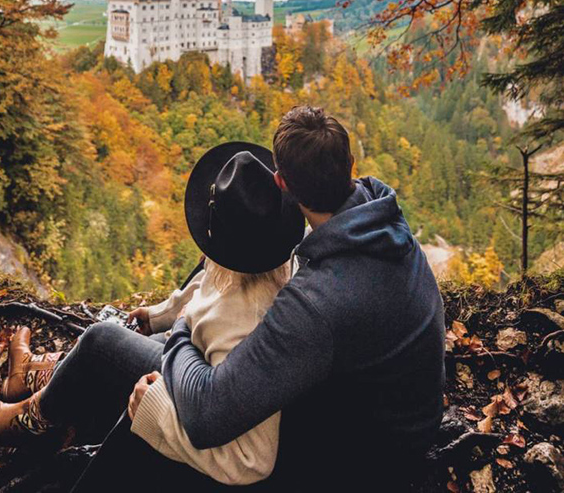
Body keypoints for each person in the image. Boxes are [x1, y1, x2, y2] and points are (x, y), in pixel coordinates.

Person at [130, 105, 446, 490]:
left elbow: (206, 414)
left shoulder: (317, 300)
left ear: (280, 183)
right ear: (350, 163)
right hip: (410, 425)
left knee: (114, 347)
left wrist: (180, 328)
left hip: (363, 463)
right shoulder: (382, 219)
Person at [0, 142, 305, 486]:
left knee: (102, 341)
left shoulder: (240, 324)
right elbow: (212, 286)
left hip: (193, 387)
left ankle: (30, 421)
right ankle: (31, 377)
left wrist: (157, 410)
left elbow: (252, 460)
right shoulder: (274, 250)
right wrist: (162, 315)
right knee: (122, 343)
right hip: (192, 356)